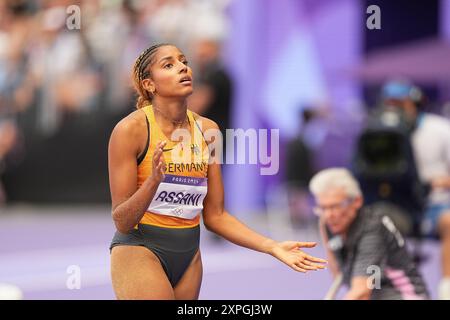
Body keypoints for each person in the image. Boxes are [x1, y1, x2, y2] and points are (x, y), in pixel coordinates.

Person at [108, 43, 327, 300]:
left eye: (183, 61)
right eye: (169, 65)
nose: (182, 68)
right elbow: (122, 220)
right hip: (140, 248)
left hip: (188, 255)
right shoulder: (130, 130)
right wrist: (153, 182)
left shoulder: (208, 130)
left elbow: (216, 216)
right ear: (149, 85)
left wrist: (272, 246)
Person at [310, 168, 429, 300]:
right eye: (323, 208)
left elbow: (361, 293)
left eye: (335, 206)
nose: (328, 215)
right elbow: (339, 275)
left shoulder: (372, 228)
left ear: (357, 201)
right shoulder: (331, 223)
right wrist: (324, 230)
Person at [381, 80, 450, 300]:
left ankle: (447, 287)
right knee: (374, 223)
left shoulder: (440, 129)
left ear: (414, 103)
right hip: (398, 204)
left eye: (401, 103)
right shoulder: (381, 132)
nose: (396, 109)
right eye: (391, 103)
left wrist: (439, 182)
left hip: (436, 204)